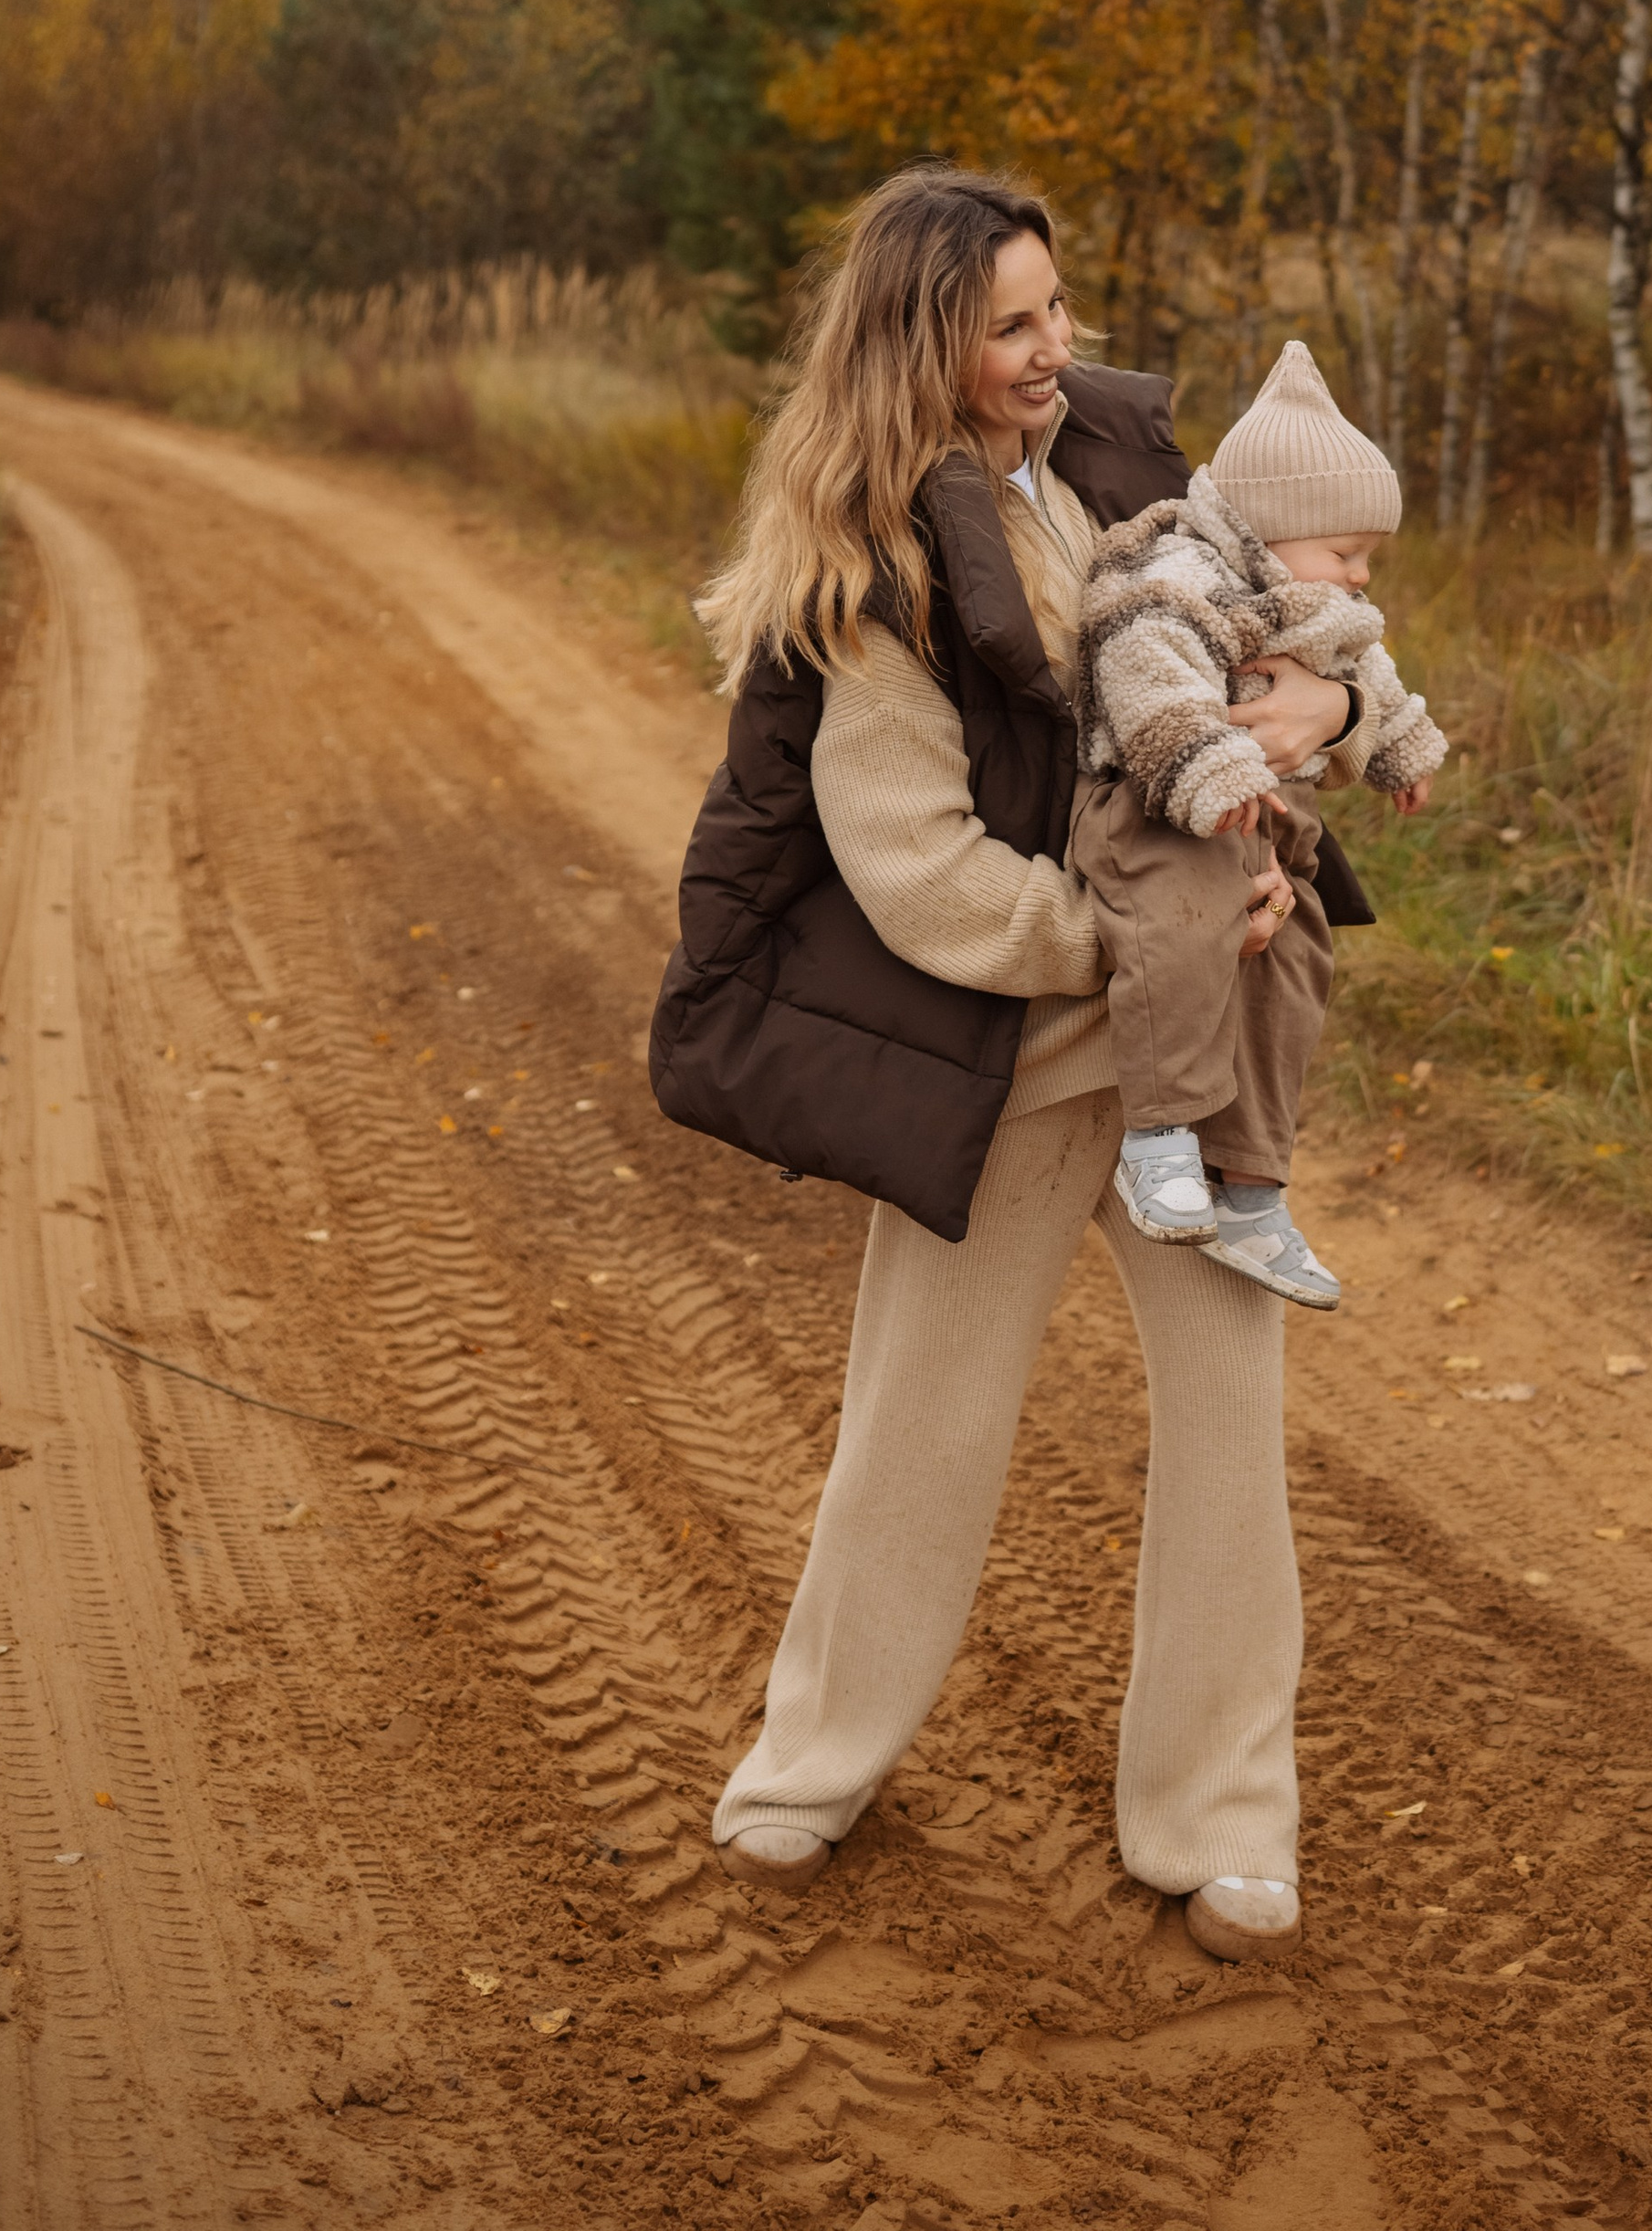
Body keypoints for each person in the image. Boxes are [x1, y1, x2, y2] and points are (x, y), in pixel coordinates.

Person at [685, 165, 1375, 1964]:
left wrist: (1337, 712)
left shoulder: (1126, 482)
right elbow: (919, 874)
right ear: (927, 340)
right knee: (916, 1428)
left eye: (1056, 311)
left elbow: (1308, 638)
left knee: (1231, 1435)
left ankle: (1220, 1819)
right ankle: (809, 1767)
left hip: (1192, 1064)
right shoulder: (873, 577)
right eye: (1011, 325)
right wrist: (1138, 942)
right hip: (1014, 1065)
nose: (1053, 350)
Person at [1074, 340, 1446, 1307]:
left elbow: (1367, 672)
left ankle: (1251, 1185)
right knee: (1183, 928)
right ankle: (1158, 1137)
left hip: (1270, 821)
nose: (1360, 578)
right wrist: (1210, 763)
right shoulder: (1175, 577)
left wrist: (1397, 744)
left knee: (1296, 955)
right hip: (1162, 811)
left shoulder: (1311, 602)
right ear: (1268, 528)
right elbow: (1145, 671)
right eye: (1346, 554)